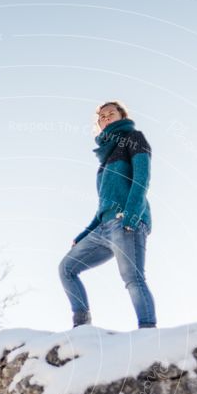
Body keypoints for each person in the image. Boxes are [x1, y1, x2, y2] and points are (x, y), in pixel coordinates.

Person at [59, 100, 157, 329]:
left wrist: (131, 216)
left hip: (127, 222)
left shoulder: (134, 138)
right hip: (103, 228)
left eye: (110, 113)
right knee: (67, 269)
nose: (105, 118)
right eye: (101, 116)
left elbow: (141, 179)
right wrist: (86, 233)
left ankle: (148, 331)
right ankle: (82, 326)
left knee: (132, 278)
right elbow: (103, 205)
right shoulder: (105, 158)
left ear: (122, 116)